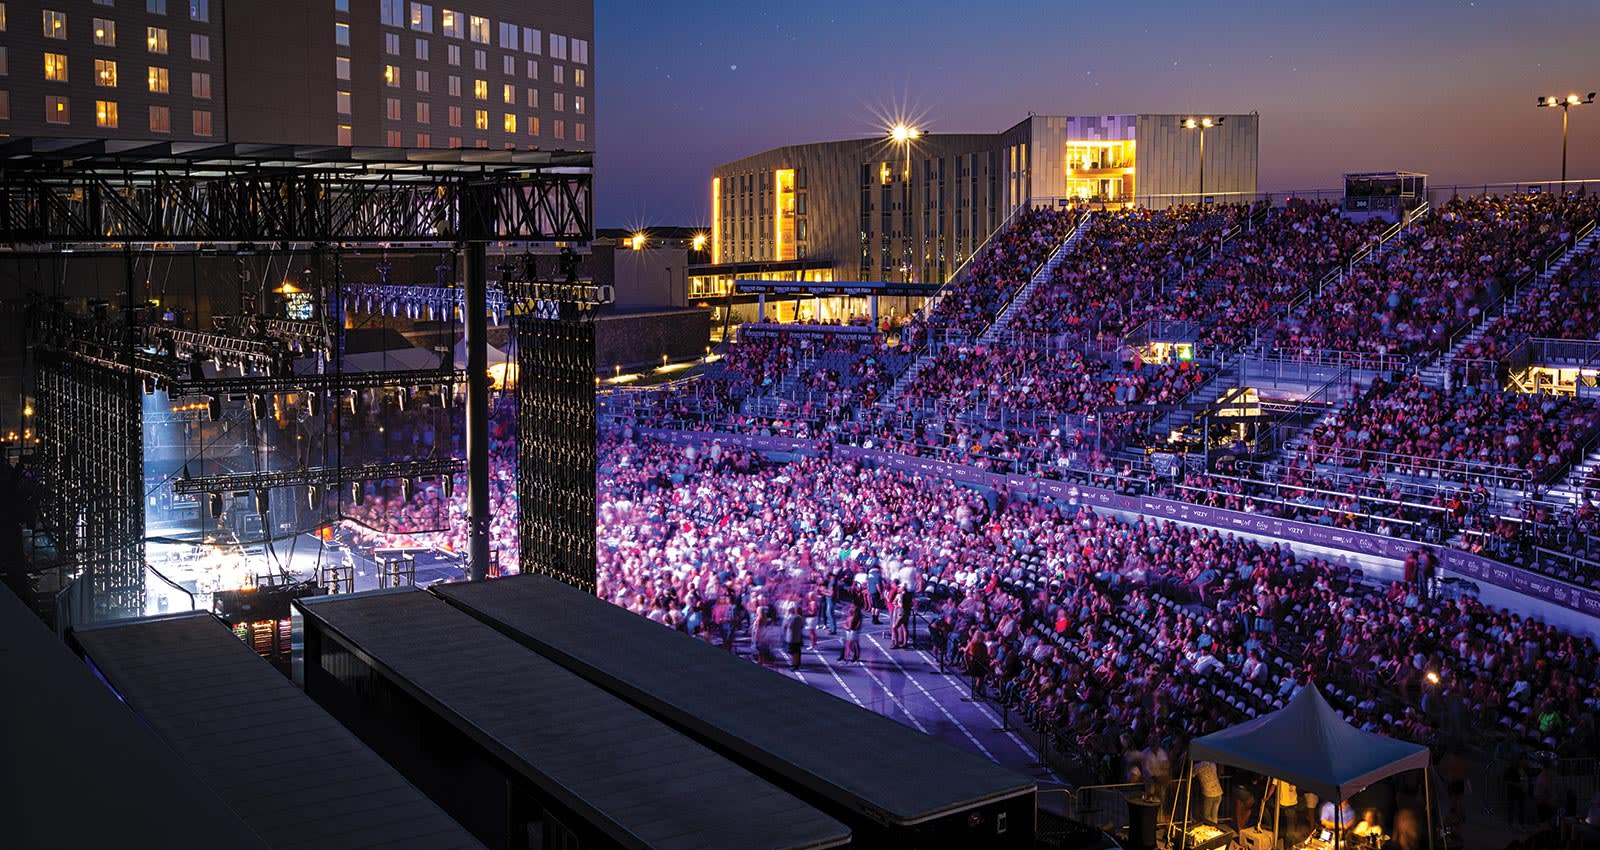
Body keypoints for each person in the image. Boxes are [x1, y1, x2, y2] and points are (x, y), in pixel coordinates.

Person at [966, 628, 991, 700]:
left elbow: (985, 655)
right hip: (975, 664)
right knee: (981, 674)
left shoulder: (981, 645)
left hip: (978, 663)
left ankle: (978, 688)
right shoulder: (974, 645)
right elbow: (978, 656)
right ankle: (977, 689)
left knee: (983, 671)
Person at [784, 605, 805, 670]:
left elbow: (788, 626)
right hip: (798, 637)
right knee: (797, 651)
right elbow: (802, 626)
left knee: (794, 652)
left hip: (792, 637)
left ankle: (794, 665)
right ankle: (796, 664)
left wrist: (787, 619)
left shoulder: (794, 618)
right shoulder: (800, 617)